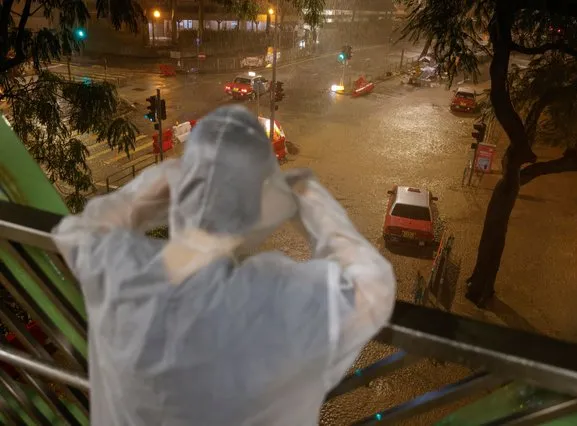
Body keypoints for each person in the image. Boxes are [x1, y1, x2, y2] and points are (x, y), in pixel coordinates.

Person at [52, 106, 396, 425]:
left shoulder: (119, 270)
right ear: (259, 205)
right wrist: (309, 197)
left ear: (183, 188)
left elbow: (77, 231)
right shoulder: (280, 300)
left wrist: (162, 179)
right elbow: (374, 286)